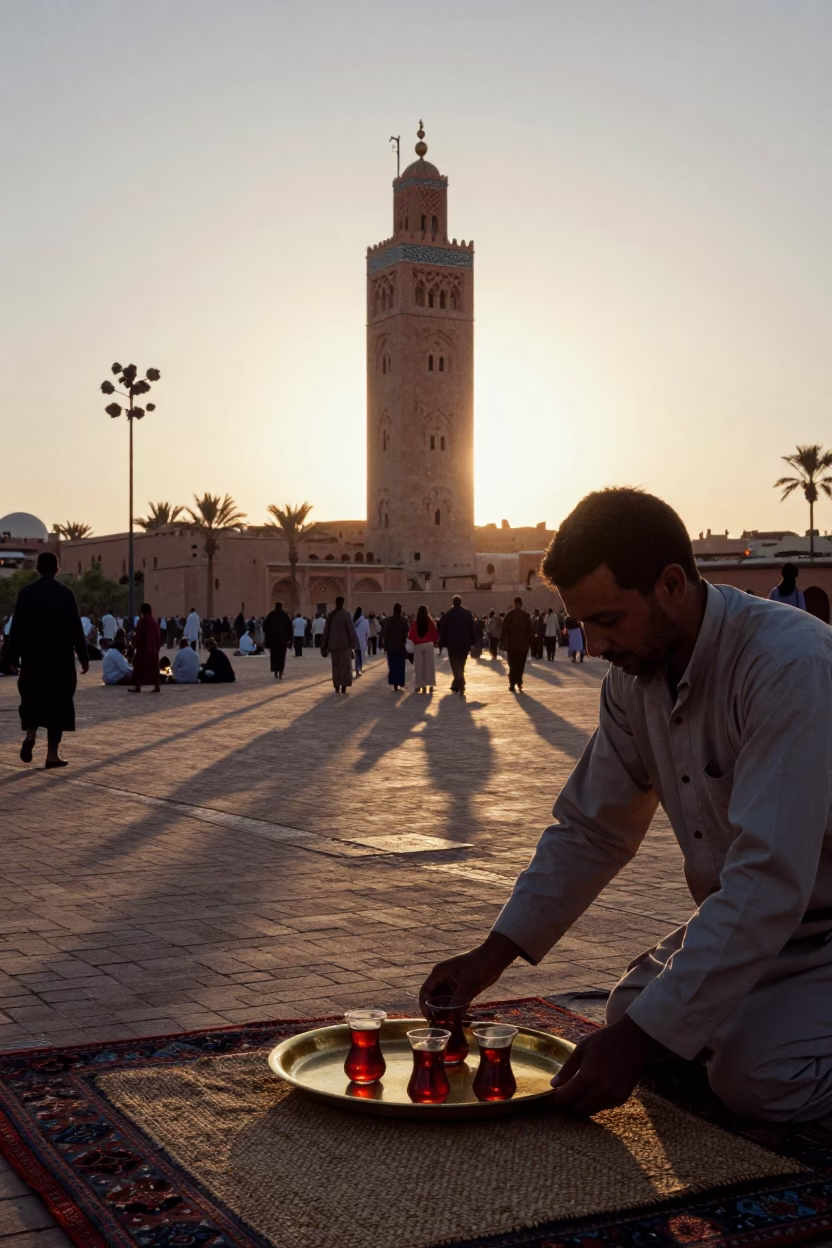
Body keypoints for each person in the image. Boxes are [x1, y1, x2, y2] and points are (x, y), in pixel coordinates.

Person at [422, 486, 832, 1124]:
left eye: (608, 620)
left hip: (814, 919)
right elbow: (592, 830)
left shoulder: (785, 666)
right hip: (770, 923)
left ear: (671, 584)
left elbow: (769, 876)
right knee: (629, 1009)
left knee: (757, 1079)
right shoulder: (634, 681)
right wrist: (488, 959)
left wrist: (645, 1041)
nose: (594, 645)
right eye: (586, 624)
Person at [7, 552, 88, 769]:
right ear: (57, 569)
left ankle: (31, 735)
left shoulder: (26, 594)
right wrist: (84, 656)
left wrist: (11, 657)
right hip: (59, 661)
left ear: (37, 569)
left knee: (32, 699)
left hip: (33, 660)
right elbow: (75, 628)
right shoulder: (65, 594)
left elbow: (17, 629)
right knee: (58, 706)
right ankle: (52, 755)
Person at [439, 595, 476, 693]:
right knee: (461, 664)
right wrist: (473, 641)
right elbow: (472, 628)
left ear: (453, 602)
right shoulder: (468, 614)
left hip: (452, 643)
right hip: (465, 643)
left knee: (455, 665)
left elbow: (444, 630)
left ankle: (459, 683)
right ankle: (458, 683)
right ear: (461, 602)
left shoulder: (448, 614)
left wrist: (441, 642)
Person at [321, 596, 359, 693]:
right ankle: (344, 685)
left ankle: (337, 684)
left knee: (336, 666)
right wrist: (354, 645)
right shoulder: (346, 615)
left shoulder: (330, 615)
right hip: (344, 645)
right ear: (343, 603)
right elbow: (351, 630)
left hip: (333, 645)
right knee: (345, 666)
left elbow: (326, 632)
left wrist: (324, 646)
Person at [500, 597, 535, 692]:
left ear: (514, 604)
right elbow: (531, 631)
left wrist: (502, 643)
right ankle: (519, 681)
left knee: (512, 664)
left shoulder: (509, 615)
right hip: (523, 645)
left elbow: (504, 630)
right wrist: (533, 645)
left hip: (512, 644)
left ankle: (512, 683)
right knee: (520, 664)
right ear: (521, 604)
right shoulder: (526, 615)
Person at [128, 602, 161, 693]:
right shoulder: (154, 621)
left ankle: (138, 686)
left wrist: (136, 643)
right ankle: (157, 686)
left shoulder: (143, 621)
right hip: (153, 648)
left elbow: (140, 635)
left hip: (144, 648)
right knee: (154, 667)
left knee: (139, 667)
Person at [408, 605, 439, 693]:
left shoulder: (415, 622)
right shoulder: (430, 621)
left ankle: (419, 685)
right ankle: (431, 685)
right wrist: (434, 641)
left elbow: (411, 635)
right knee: (429, 665)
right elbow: (435, 634)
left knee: (419, 666)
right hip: (429, 644)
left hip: (418, 645)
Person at [381, 603, 409, 691]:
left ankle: (394, 683)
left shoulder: (389, 620)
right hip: (400, 646)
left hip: (391, 647)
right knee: (400, 665)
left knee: (392, 665)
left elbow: (385, 633)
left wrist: (385, 645)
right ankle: (400, 682)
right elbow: (407, 631)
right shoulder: (404, 620)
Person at [264, 600, 293, 679]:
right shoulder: (285, 615)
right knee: (281, 656)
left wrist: (268, 636)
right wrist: (289, 639)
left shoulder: (271, 615)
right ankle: (280, 671)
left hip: (273, 640)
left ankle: (275, 671)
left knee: (274, 655)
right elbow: (290, 627)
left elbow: (265, 626)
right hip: (282, 640)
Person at [353, 607, 370, 676]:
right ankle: (359, 668)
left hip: (355, 641)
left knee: (357, 656)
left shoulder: (353, 621)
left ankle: (357, 669)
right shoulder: (365, 621)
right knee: (361, 656)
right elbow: (368, 632)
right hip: (362, 641)